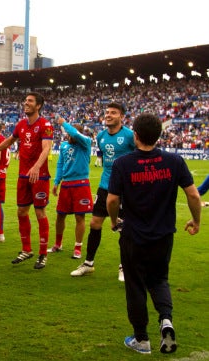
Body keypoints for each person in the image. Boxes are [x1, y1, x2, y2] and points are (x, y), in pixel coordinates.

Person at [107, 113, 201, 355]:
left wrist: (114, 220)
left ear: (135, 135)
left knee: (135, 285)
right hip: (163, 235)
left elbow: (113, 199)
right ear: (159, 135)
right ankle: (166, 321)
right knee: (159, 280)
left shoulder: (123, 163)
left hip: (133, 236)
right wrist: (196, 221)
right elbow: (193, 195)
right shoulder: (174, 161)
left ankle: (141, 339)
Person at [0, 92, 54, 269]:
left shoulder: (45, 125)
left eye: (30, 101)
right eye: (25, 101)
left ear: (38, 105)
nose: (26, 103)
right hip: (23, 175)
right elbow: (10, 140)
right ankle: (26, 249)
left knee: (40, 212)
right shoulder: (21, 124)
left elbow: (46, 148)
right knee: (21, 212)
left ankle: (42, 254)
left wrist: (36, 167)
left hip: (39, 176)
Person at [70, 102, 135, 278]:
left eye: (113, 113)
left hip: (125, 188)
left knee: (123, 228)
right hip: (105, 185)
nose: (108, 115)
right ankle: (88, 263)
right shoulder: (101, 136)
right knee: (94, 223)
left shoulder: (130, 136)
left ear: (122, 116)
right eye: (107, 112)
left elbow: (139, 156)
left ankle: (124, 267)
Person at [49, 117, 93, 259]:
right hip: (66, 184)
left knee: (79, 217)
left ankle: (78, 248)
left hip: (81, 184)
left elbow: (75, 134)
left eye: (72, 134)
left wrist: (63, 123)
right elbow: (60, 164)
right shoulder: (63, 146)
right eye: (68, 134)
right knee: (60, 215)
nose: (69, 136)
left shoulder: (85, 144)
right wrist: (56, 182)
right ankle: (58, 244)